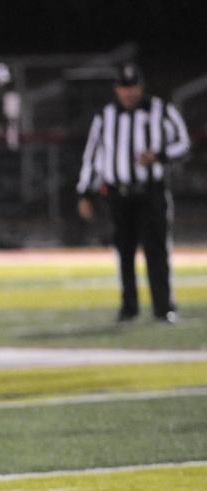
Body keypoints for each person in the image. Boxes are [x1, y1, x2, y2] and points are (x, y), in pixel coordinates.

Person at [76, 62, 191, 323]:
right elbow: (91, 157)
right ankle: (129, 307)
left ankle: (164, 307)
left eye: (133, 87)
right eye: (124, 87)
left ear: (141, 87)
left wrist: (160, 156)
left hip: (150, 192)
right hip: (118, 194)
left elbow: (183, 143)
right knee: (124, 251)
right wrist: (84, 193)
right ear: (117, 89)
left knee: (157, 250)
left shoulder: (160, 110)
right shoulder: (105, 116)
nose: (129, 93)